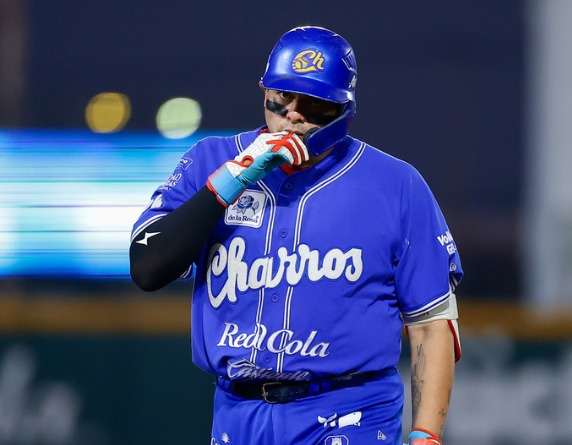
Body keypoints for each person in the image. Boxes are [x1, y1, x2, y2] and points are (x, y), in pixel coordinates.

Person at [130, 25, 463, 445]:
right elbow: (147, 269)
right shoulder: (210, 160)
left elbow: (431, 324)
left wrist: (425, 435)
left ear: (343, 109)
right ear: (265, 90)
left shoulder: (396, 184)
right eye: (283, 96)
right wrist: (227, 183)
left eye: (313, 103)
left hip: (349, 411)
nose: (293, 114)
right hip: (238, 412)